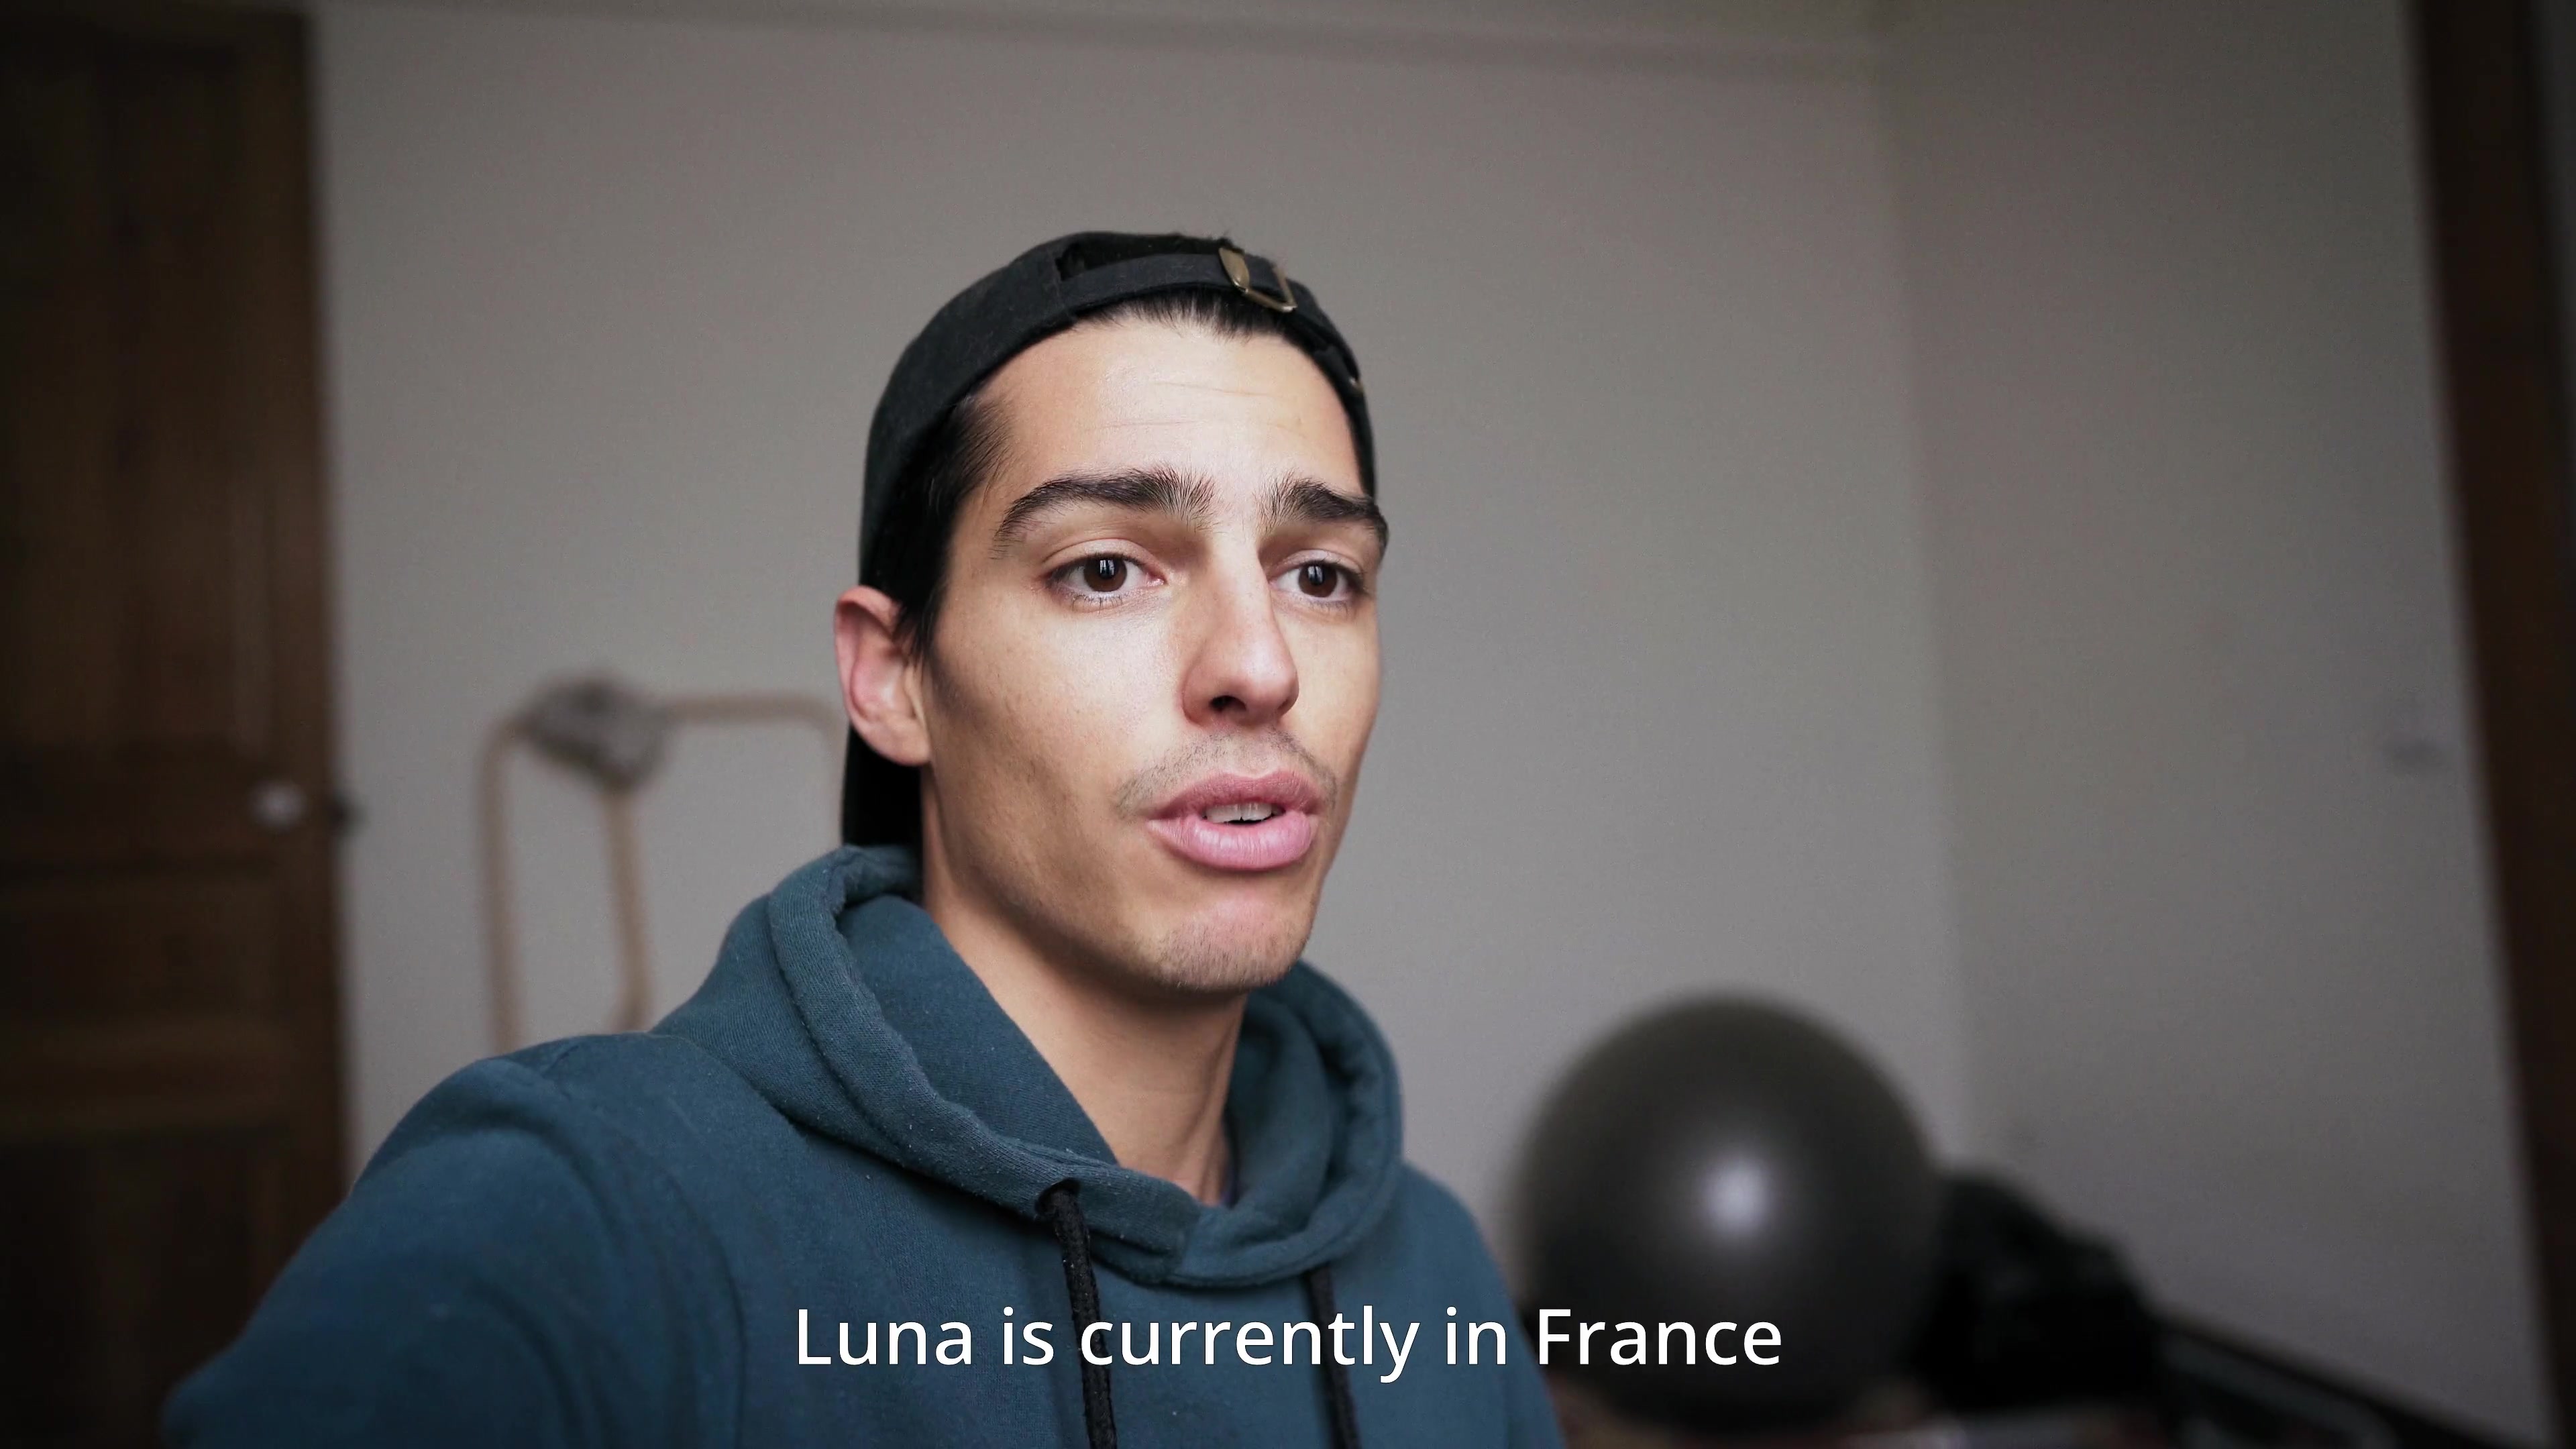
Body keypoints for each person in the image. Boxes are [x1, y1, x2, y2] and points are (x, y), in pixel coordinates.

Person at [166, 233, 1564, 1447]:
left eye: (1320, 575)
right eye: (1105, 569)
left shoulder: (1432, 1275)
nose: (1259, 665)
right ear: (893, 676)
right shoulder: (583, 1208)